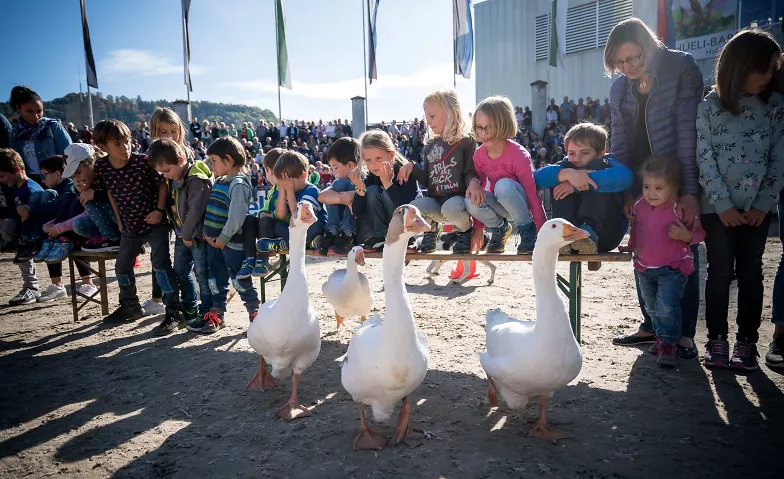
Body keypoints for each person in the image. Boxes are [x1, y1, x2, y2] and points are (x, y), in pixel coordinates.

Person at [606, 18, 704, 359]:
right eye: (620, 63)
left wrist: (689, 190)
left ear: (648, 46)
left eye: (633, 58)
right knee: (645, 246)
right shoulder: (619, 89)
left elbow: (688, 132)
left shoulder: (680, 67)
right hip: (638, 178)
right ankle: (651, 325)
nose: (628, 68)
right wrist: (624, 192)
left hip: (676, 174)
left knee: (683, 247)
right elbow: (618, 146)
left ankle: (684, 334)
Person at [697, 29, 784, 371]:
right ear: (740, 66)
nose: (769, 77)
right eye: (763, 69)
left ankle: (746, 342)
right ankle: (716, 339)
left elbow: (779, 158)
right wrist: (722, 205)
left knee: (751, 273)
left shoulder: (776, 107)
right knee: (718, 273)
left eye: (773, 69)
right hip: (716, 210)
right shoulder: (709, 107)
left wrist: (764, 203)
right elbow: (704, 158)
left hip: (757, 213)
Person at [619, 156, 706, 367]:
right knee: (651, 308)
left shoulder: (679, 208)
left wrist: (684, 236)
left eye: (659, 187)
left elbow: (700, 235)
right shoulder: (639, 203)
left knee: (667, 307)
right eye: (647, 186)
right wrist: (631, 246)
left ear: (673, 187)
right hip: (644, 267)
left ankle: (667, 345)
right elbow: (638, 231)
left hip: (672, 267)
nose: (651, 193)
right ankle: (660, 337)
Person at [92, 119, 180, 327]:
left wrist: (159, 211)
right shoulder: (102, 166)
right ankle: (130, 306)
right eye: (118, 144)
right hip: (130, 226)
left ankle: (174, 310)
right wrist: (120, 220)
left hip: (155, 223)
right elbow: (111, 193)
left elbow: (162, 186)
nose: (125, 147)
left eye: (127, 141)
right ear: (103, 147)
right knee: (122, 265)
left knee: (161, 266)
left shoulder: (143, 161)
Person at [398, 89, 483, 254]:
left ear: (450, 112)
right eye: (426, 117)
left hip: (457, 202)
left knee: (450, 208)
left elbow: (470, 171)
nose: (428, 122)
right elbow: (427, 180)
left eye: (432, 116)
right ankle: (431, 230)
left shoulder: (467, 141)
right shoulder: (431, 145)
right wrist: (413, 166)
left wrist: (474, 182)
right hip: (436, 202)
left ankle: (464, 231)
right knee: (413, 207)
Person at [147, 138, 213, 335]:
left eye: (167, 170)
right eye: (162, 172)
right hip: (181, 233)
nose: (165, 175)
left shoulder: (196, 178)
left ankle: (208, 311)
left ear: (181, 159)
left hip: (196, 236)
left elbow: (195, 211)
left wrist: (186, 234)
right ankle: (190, 308)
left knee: (202, 274)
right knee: (181, 271)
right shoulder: (173, 178)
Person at [192, 137, 258, 332]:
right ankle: (217, 314)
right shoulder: (221, 180)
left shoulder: (238, 184)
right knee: (215, 280)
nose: (212, 165)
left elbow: (236, 216)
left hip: (231, 245)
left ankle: (256, 315)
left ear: (228, 160)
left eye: (214, 160)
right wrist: (207, 234)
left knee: (240, 280)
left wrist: (222, 238)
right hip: (213, 244)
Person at [465, 96, 546, 254]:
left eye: (489, 127)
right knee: (470, 199)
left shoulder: (518, 155)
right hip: (500, 205)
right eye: (479, 127)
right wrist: (478, 228)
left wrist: (543, 230)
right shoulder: (479, 156)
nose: (483, 133)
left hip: (521, 203)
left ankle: (527, 230)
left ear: (503, 124)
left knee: (503, 186)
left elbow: (532, 193)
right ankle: (500, 228)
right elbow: (480, 190)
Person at [535, 123, 631, 253]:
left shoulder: (607, 161)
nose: (577, 159)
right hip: (569, 238)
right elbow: (535, 179)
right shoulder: (567, 163)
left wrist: (576, 185)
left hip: (606, 234)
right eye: (572, 153)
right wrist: (566, 174)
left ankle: (590, 233)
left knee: (598, 166)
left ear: (601, 152)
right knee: (558, 175)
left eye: (585, 153)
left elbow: (626, 177)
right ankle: (566, 235)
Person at [351, 130, 420, 252]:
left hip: (409, 226)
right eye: (368, 160)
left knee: (386, 193)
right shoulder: (371, 177)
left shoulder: (405, 171)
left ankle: (408, 239)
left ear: (391, 155)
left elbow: (408, 206)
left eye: (378, 158)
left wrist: (388, 183)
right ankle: (380, 237)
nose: (373, 164)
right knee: (371, 190)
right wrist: (360, 189)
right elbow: (358, 213)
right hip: (385, 226)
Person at [256, 150, 326, 253]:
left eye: (288, 181)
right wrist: (282, 189)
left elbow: (298, 216)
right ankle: (288, 243)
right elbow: (280, 214)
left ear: (303, 176)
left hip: (312, 227)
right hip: (296, 231)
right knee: (278, 225)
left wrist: (289, 191)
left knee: (315, 228)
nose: (287, 184)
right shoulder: (288, 188)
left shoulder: (311, 190)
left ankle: (287, 244)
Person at [0, 148, 44, 304]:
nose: (1, 180)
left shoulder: (30, 190)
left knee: (9, 226)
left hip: (32, 236)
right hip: (21, 233)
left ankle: (32, 288)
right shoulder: (14, 188)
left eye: (2, 176)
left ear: (17, 170)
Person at [238, 148, 287, 280]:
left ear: (271, 170)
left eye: (266, 170)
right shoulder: (273, 189)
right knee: (249, 219)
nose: (265, 174)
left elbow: (287, 213)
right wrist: (263, 213)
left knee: (266, 221)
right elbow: (265, 208)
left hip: (280, 232)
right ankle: (249, 259)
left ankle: (263, 259)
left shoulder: (287, 188)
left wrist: (271, 215)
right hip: (267, 230)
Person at [9, 86, 72, 177]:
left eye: (39, 111)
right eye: (29, 111)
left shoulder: (53, 127)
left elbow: (70, 156)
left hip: (55, 180)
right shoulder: (15, 133)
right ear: (18, 108)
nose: (35, 116)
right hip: (29, 182)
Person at [316, 137, 359, 256]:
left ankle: (347, 234)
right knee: (341, 184)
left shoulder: (364, 181)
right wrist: (344, 200)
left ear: (351, 165)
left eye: (336, 167)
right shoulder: (338, 182)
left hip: (358, 226)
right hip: (339, 223)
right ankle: (332, 232)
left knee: (344, 183)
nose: (333, 172)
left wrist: (353, 195)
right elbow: (321, 196)